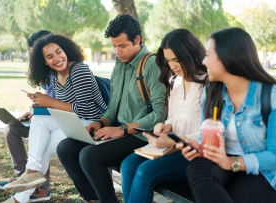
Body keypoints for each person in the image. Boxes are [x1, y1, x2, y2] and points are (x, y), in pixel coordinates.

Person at [56, 14, 166, 203]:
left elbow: (160, 114)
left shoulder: (151, 64)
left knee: (89, 156)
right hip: (118, 130)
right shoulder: (119, 65)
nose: (117, 51)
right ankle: (93, 199)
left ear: (137, 39)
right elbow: (113, 107)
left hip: (140, 134)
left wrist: (121, 130)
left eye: (122, 46)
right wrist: (100, 122)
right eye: (114, 46)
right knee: (65, 147)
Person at [2, 34, 107, 203]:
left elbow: (87, 109)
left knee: (42, 149)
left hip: (92, 123)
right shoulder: (54, 76)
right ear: (44, 61)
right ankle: (27, 183)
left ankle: (24, 188)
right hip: (72, 121)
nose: (57, 59)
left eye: (59, 52)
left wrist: (50, 102)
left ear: (66, 50)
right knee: (38, 120)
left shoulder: (79, 70)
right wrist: (41, 104)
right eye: (50, 57)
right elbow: (62, 107)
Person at [177, 27, 276, 203]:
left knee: (236, 196)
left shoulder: (271, 95)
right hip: (222, 160)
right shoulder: (211, 91)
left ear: (228, 57)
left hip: (263, 170)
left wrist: (231, 163)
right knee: (196, 168)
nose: (203, 61)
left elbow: (274, 156)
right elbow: (206, 138)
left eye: (208, 54)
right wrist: (200, 148)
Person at [120, 29, 207, 203]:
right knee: (128, 165)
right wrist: (166, 126)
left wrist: (175, 141)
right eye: (168, 61)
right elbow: (173, 117)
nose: (173, 66)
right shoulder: (175, 81)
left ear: (191, 53)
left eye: (177, 59)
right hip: (171, 147)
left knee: (145, 172)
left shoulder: (209, 82)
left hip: (196, 153)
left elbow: (211, 132)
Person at [0, 30, 53, 202]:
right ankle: (23, 178)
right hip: (46, 116)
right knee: (11, 128)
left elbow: (66, 105)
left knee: (40, 130)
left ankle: (42, 189)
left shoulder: (60, 66)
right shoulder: (45, 71)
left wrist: (42, 111)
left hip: (57, 121)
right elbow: (48, 96)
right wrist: (35, 109)